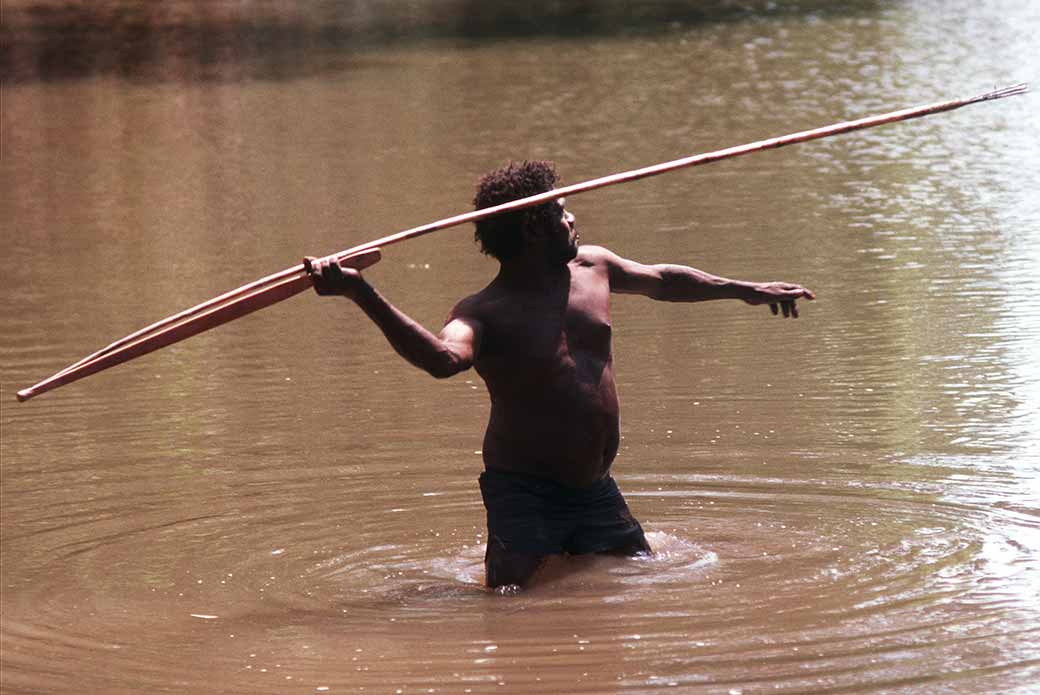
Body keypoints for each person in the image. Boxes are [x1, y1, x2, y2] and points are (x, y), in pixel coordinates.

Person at [307, 160, 814, 590]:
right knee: (508, 602)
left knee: (638, 577)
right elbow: (444, 360)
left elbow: (664, 281)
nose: (573, 218)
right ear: (532, 229)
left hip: (593, 486)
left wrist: (747, 289)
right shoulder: (485, 312)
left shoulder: (594, 266)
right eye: (560, 211)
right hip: (525, 493)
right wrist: (361, 293)